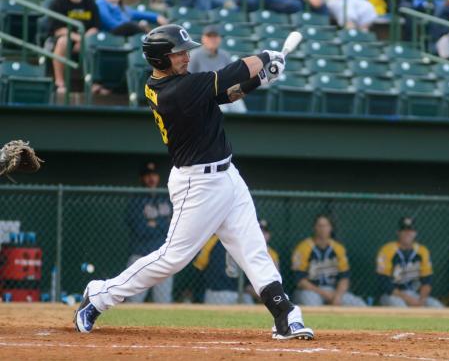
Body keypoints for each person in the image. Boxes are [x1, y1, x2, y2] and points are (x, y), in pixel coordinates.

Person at [73, 24, 313, 341]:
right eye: (179, 53)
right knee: (172, 258)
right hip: (197, 184)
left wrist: (261, 78)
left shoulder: (177, 84)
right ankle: (100, 295)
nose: (187, 56)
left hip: (228, 176)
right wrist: (265, 58)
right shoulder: (176, 92)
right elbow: (230, 74)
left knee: (253, 250)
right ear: (160, 60)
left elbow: (225, 95)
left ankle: (285, 314)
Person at [291, 215, 366, 306]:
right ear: (314, 227)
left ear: (331, 228)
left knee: (359, 304)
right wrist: (324, 294)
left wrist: (337, 296)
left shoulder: (338, 248)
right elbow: (300, 281)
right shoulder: (303, 248)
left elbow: (344, 279)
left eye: (326, 225)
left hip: (334, 291)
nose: (323, 229)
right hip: (309, 291)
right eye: (320, 225)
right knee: (312, 302)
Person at [125, 162, 173, 304]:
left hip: (164, 257)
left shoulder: (165, 197)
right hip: (141, 256)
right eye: (147, 175)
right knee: (134, 301)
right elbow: (140, 229)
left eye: (154, 174)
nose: (151, 178)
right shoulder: (136, 200)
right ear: (142, 178)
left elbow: (175, 226)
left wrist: (154, 223)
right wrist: (163, 223)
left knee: (163, 302)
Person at [48, 0, 99, 94]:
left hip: (86, 39)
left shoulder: (90, 2)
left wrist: (84, 40)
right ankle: (59, 82)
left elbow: (95, 27)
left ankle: (94, 82)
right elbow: (58, 30)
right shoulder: (58, 2)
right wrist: (79, 39)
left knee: (96, 43)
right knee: (63, 42)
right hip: (65, 38)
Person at [376, 217, 444, 308]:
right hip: (392, 295)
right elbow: (384, 282)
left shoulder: (422, 251)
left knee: (437, 306)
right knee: (400, 306)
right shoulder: (387, 250)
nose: (407, 233)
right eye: (404, 230)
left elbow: (427, 281)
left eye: (410, 230)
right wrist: (408, 299)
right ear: (398, 232)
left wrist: (421, 300)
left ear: (415, 233)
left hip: (414, 295)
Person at [188, 25, 246, 113]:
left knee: (240, 109)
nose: (212, 39)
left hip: (225, 93)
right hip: (205, 96)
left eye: (215, 36)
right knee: (222, 110)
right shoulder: (194, 55)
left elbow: (233, 77)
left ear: (219, 39)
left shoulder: (225, 55)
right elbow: (188, 81)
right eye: (209, 36)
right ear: (203, 39)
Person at [193, 234, 255, 304]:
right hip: (242, 293)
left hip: (217, 292)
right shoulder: (246, 241)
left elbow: (199, 266)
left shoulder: (212, 241)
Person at [96, 0, 168, 37]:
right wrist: (136, 25)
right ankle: (152, 37)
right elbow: (110, 23)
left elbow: (140, 14)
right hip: (108, 36)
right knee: (131, 26)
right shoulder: (100, 3)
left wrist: (157, 17)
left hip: (125, 34)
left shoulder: (122, 7)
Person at [246, 219, 281, 301]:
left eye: (265, 232)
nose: (262, 235)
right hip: (248, 290)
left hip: (266, 289)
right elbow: (244, 285)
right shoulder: (246, 250)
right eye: (259, 232)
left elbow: (276, 279)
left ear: (269, 235)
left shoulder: (273, 254)